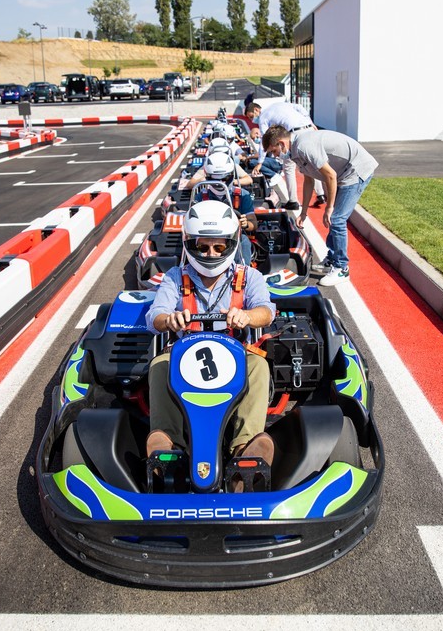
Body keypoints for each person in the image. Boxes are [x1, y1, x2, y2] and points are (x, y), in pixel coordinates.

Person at [145, 199, 275, 471]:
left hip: (237, 356)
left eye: (219, 247)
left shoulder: (249, 276)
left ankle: (245, 448)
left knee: (260, 366)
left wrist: (247, 316)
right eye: (202, 247)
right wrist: (169, 319)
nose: (212, 253)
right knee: (159, 365)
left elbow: (267, 311)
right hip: (184, 360)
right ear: (189, 244)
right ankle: (169, 444)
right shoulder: (174, 277)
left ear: (231, 244)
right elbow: (154, 316)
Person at [262, 125, 378, 286]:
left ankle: (341, 268)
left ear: (281, 143)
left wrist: (329, 208)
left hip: (356, 169)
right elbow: (309, 180)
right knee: (334, 219)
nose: (276, 156)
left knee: (337, 219)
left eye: (275, 151)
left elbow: (330, 175)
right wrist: (303, 212)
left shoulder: (303, 146)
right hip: (344, 171)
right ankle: (332, 259)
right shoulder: (296, 151)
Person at [186, 150, 256, 266]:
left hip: (232, 237)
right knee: (190, 242)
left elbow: (253, 222)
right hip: (206, 236)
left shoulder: (242, 195)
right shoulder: (200, 197)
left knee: (244, 241)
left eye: (224, 179)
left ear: (231, 176)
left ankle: (243, 272)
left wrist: (246, 223)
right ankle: (191, 269)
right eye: (216, 179)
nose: (220, 183)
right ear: (208, 176)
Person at [257, 101, 327, 209]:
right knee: (312, 162)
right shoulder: (280, 104)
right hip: (309, 127)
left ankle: (293, 200)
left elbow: (266, 141)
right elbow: (300, 107)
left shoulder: (263, 117)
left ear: (256, 110)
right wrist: (310, 122)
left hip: (294, 133)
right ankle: (320, 194)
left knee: (289, 166)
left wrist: (260, 162)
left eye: (251, 115)